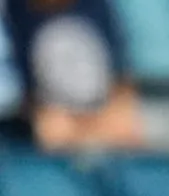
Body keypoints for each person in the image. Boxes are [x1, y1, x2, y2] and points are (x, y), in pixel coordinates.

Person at [4, 0, 142, 149]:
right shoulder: (18, 12)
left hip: (104, 108)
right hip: (55, 113)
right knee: (53, 129)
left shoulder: (98, 7)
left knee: (123, 125)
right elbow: (27, 94)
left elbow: (123, 79)